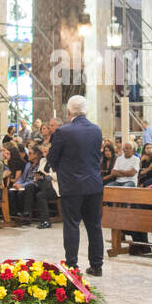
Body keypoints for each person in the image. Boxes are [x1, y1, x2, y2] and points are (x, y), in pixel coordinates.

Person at [47, 95, 105, 276]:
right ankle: (97, 265)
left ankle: (72, 265)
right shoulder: (96, 130)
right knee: (94, 225)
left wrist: (61, 169)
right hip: (94, 185)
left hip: (72, 186)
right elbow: (97, 157)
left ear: (68, 111)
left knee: (72, 224)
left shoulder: (63, 132)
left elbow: (52, 158)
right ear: (86, 110)